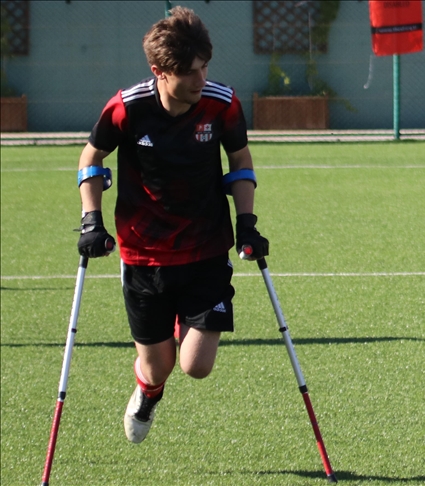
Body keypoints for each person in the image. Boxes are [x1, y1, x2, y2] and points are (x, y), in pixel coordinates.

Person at [76, 6, 268, 444]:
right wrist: (91, 220)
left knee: (196, 366)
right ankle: (148, 390)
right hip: (144, 254)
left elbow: (239, 161)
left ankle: (184, 331)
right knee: (158, 366)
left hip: (205, 248)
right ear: (160, 72)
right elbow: (91, 159)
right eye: (190, 73)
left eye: (205, 68)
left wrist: (247, 223)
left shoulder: (222, 103)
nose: (202, 80)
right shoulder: (127, 108)